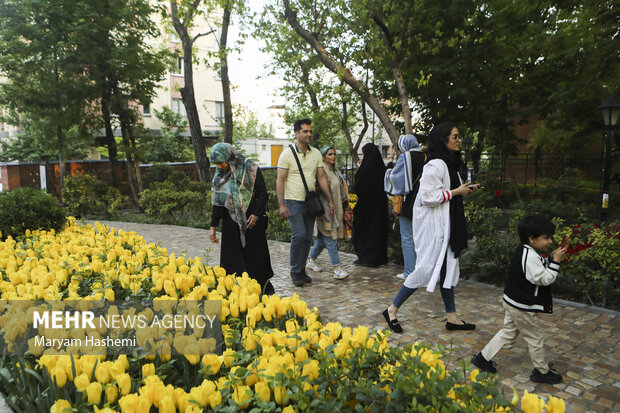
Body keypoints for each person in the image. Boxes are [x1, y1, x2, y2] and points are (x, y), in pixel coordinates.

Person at [382, 122, 479, 333]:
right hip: (435, 229)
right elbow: (427, 198)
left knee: (448, 271)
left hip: (447, 226)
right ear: (444, 140)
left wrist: (464, 190)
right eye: (455, 136)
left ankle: (452, 317)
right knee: (424, 269)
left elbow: (450, 190)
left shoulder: (450, 164)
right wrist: (456, 192)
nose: (459, 139)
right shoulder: (435, 165)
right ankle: (391, 310)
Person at [471, 214, 567, 384]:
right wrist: (556, 263)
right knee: (535, 337)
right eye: (546, 238)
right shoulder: (530, 256)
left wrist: (550, 259)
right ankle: (541, 371)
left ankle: (482, 358)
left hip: (512, 301)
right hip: (523, 306)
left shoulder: (524, 250)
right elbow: (544, 279)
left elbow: (535, 270)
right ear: (532, 239)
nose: (550, 241)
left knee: (508, 332)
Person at [209, 142, 275, 295]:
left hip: (251, 223)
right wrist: (213, 225)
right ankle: (235, 292)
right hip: (230, 223)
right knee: (232, 260)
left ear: (229, 157)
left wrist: (256, 214)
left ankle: (261, 290)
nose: (218, 166)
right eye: (216, 163)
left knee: (256, 258)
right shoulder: (220, 174)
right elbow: (217, 201)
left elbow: (262, 193)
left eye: (220, 162)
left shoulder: (250, 168)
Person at [276, 119, 335, 287]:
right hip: (293, 201)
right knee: (299, 234)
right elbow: (280, 180)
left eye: (310, 131)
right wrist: (281, 205)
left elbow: (321, 178)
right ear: (296, 133)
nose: (309, 134)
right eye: (305, 131)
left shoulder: (316, 153)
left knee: (308, 237)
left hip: (311, 202)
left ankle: (302, 270)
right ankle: (295, 270)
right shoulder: (286, 154)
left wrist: (330, 200)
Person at [384, 134, 427, 280]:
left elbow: (395, 178)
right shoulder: (426, 157)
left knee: (407, 238)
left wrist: (390, 163)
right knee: (422, 238)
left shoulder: (406, 157)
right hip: (424, 201)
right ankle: (423, 271)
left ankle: (410, 272)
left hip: (408, 202)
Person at [306, 145, 350, 280]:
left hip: (336, 208)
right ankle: (337, 268)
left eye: (334, 154)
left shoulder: (336, 171)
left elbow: (341, 190)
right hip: (325, 211)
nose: (333, 156)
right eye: (330, 154)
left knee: (321, 239)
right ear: (324, 156)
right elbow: (314, 187)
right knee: (331, 239)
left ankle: (311, 260)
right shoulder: (321, 171)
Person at [352, 143, 388, 267]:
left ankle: (367, 257)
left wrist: (360, 168)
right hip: (379, 207)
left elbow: (358, 187)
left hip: (365, 207)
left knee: (365, 231)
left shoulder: (365, 170)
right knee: (378, 230)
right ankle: (379, 258)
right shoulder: (381, 168)